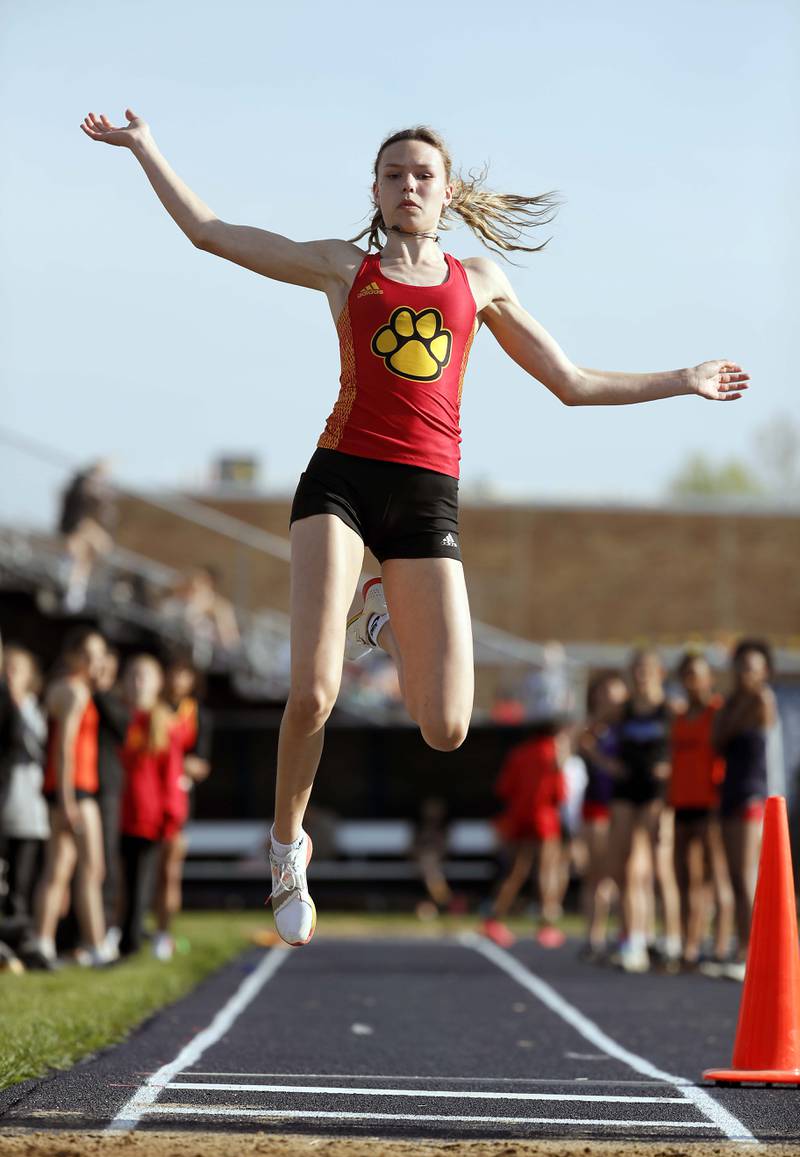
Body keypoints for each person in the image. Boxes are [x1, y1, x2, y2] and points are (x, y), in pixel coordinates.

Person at [81, 108, 749, 947]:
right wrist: (146, 148)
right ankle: (288, 847)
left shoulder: (480, 280)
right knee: (315, 689)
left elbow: (572, 383)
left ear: (445, 192)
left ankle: (379, 620)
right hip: (341, 485)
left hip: (428, 500)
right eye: (394, 174)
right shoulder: (342, 267)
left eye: (422, 175)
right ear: (376, 189)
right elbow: (211, 234)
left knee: (447, 724)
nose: (408, 186)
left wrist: (682, 378)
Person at [31, 627, 111, 968]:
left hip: (65, 789)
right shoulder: (74, 691)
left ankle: (42, 943)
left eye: (100, 655)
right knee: (92, 869)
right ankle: (96, 947)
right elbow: (64, 747)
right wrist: (67, 800)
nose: (96, 662)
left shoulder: (67, 688)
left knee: (58, 869)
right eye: (89, 655)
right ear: (74, 656)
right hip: (75, 789)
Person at [607, 650, 681, 973]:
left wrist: (672, 769)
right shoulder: (622, 711)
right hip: (626, 790)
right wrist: (606, 764)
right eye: (636, 669)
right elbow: (586, 734)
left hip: (656, 793)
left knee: (660, 867)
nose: (641, 675)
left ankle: (673, 941)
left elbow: (690, 744)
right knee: (625, 867)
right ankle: (632, 940)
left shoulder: (670, 710)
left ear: (659, 672)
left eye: (647, 670)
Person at [713, 638, 776, 980]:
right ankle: (742, 947)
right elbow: (717, 740)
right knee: (735, 877)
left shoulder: (761, 700)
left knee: (746, 874)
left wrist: (738, 704)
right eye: (740, 667)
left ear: (764, 671)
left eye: (751, 668)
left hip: (753, 793)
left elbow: (752, 723)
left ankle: (756, 951)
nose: (744, 674)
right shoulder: (730, 703)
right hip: (730, 793)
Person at [669, 652, 733, 969]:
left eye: (697, 674)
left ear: (709, 678)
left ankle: (720, 946)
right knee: (686, 880)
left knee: (715, 878)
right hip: (682, 803)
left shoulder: (717, 711)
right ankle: (689, 945)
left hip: (711, 804)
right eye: (686, 675)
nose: (691, 681)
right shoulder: (680, 717)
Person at [118, 656, 185, 957]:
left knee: (151, 878)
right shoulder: (117, 717)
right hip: (118, 813)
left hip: (148, 816)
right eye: (132, 675)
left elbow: (171, 774)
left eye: (144, 676)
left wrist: (172, 814)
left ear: (158, 683)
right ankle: (118, 932)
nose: (137, 683)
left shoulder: (163, 723)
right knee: (117, 879)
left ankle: (153, 934)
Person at [481, 724, 567, 947]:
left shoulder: (519, 752)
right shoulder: (554, 753)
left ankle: (494, 919)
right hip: (544, 818)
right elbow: (561, 794)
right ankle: (547, 925)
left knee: (515, 870)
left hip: (519, 816)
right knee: (547, 871)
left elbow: (504, 788)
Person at [153, 658, 212, 960]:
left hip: (177, 800)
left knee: (169, 870)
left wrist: (180, 761)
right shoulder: (151, 708)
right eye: (172, 671)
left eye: (184, 673)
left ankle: (163, 933)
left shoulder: (196, 713)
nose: (177, 679)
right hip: (146, 798)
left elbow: (201, 764)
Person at [577, 670, 628, 961]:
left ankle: (624, 933)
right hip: (593, 805)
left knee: (619, 875)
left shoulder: (626, 729)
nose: (608, 700)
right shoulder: (591, 729)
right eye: (603, 694)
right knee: (594, 874)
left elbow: (619, 769)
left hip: (619, 807)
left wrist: (595, 754)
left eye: (613, 694)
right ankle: (593, 936)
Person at [0, 645, 48, 925]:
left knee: (22, 876)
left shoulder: (35, 710)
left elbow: (37, 745)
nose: (9, 673)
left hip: (27, 804)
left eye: (17, 668)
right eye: (6, 666)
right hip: (4, 799)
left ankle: (17, 929)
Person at [92, 644, 129, 934]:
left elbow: (123, 730)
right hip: (82, 787)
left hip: (107, 786)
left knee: (106, 858)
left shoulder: (114, 700)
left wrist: (100, 690)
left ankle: (109, 924)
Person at [58, 461, 117, 613]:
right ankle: (69, 577)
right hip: (76, 525)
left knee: (85, 558)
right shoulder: (82, 486)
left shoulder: (95, 489)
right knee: (90, 549)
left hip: (82, 527)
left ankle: (75, 591)